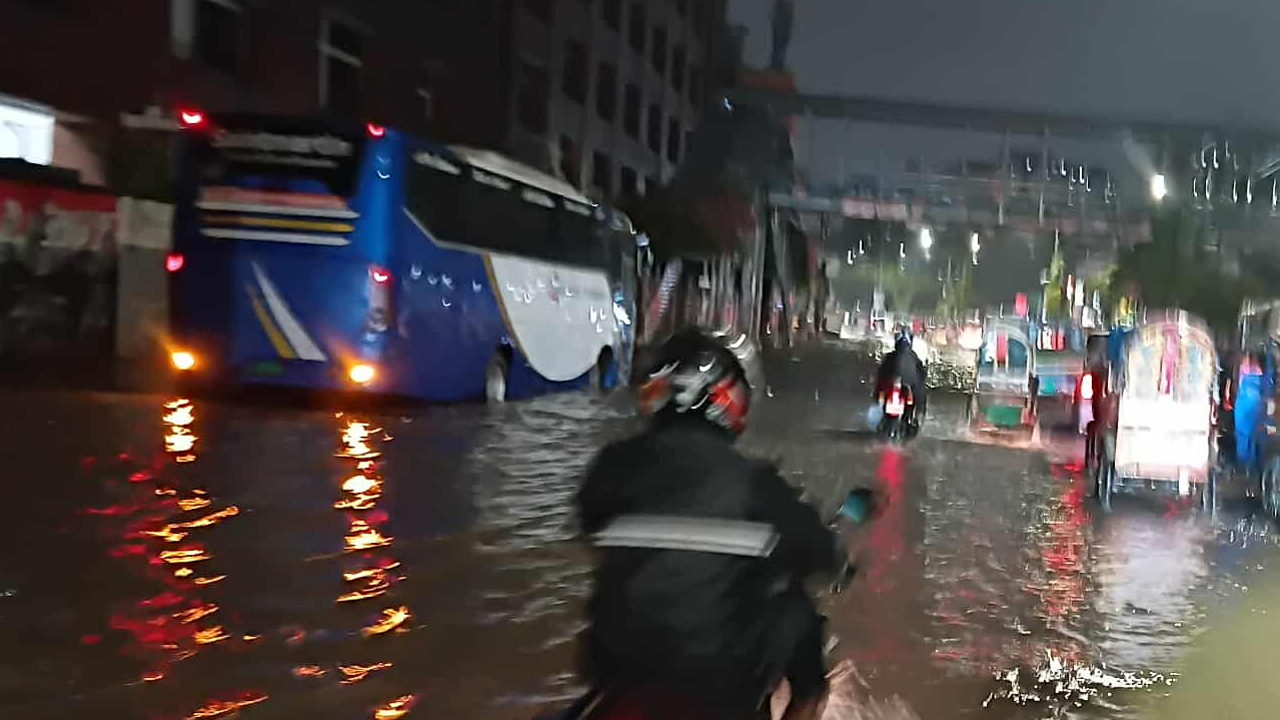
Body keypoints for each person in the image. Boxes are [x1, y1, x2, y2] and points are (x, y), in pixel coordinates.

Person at [572, 328, 847, 720]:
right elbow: (816, 550)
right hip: (720, 688)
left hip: (618, 670)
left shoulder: (611, 466)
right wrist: (838, 560)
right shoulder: (755, 483)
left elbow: (588, 521)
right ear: (727, 400)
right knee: (796, 609)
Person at [874, 330, 927, 430]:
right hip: (907, 388)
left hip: (896, 389)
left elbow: (881, 373)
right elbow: (921, 375)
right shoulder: (914, 357)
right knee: (919, 398)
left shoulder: (890, 356)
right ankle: (914, 418)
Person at [1235, 350, 1268, 476]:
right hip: (1250, 408)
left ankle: (1247, 467)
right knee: (1250, 437)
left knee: (1247, 437)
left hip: (1247, 407)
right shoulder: (1257, 372)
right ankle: (1250, 467)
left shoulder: (1247, 371)